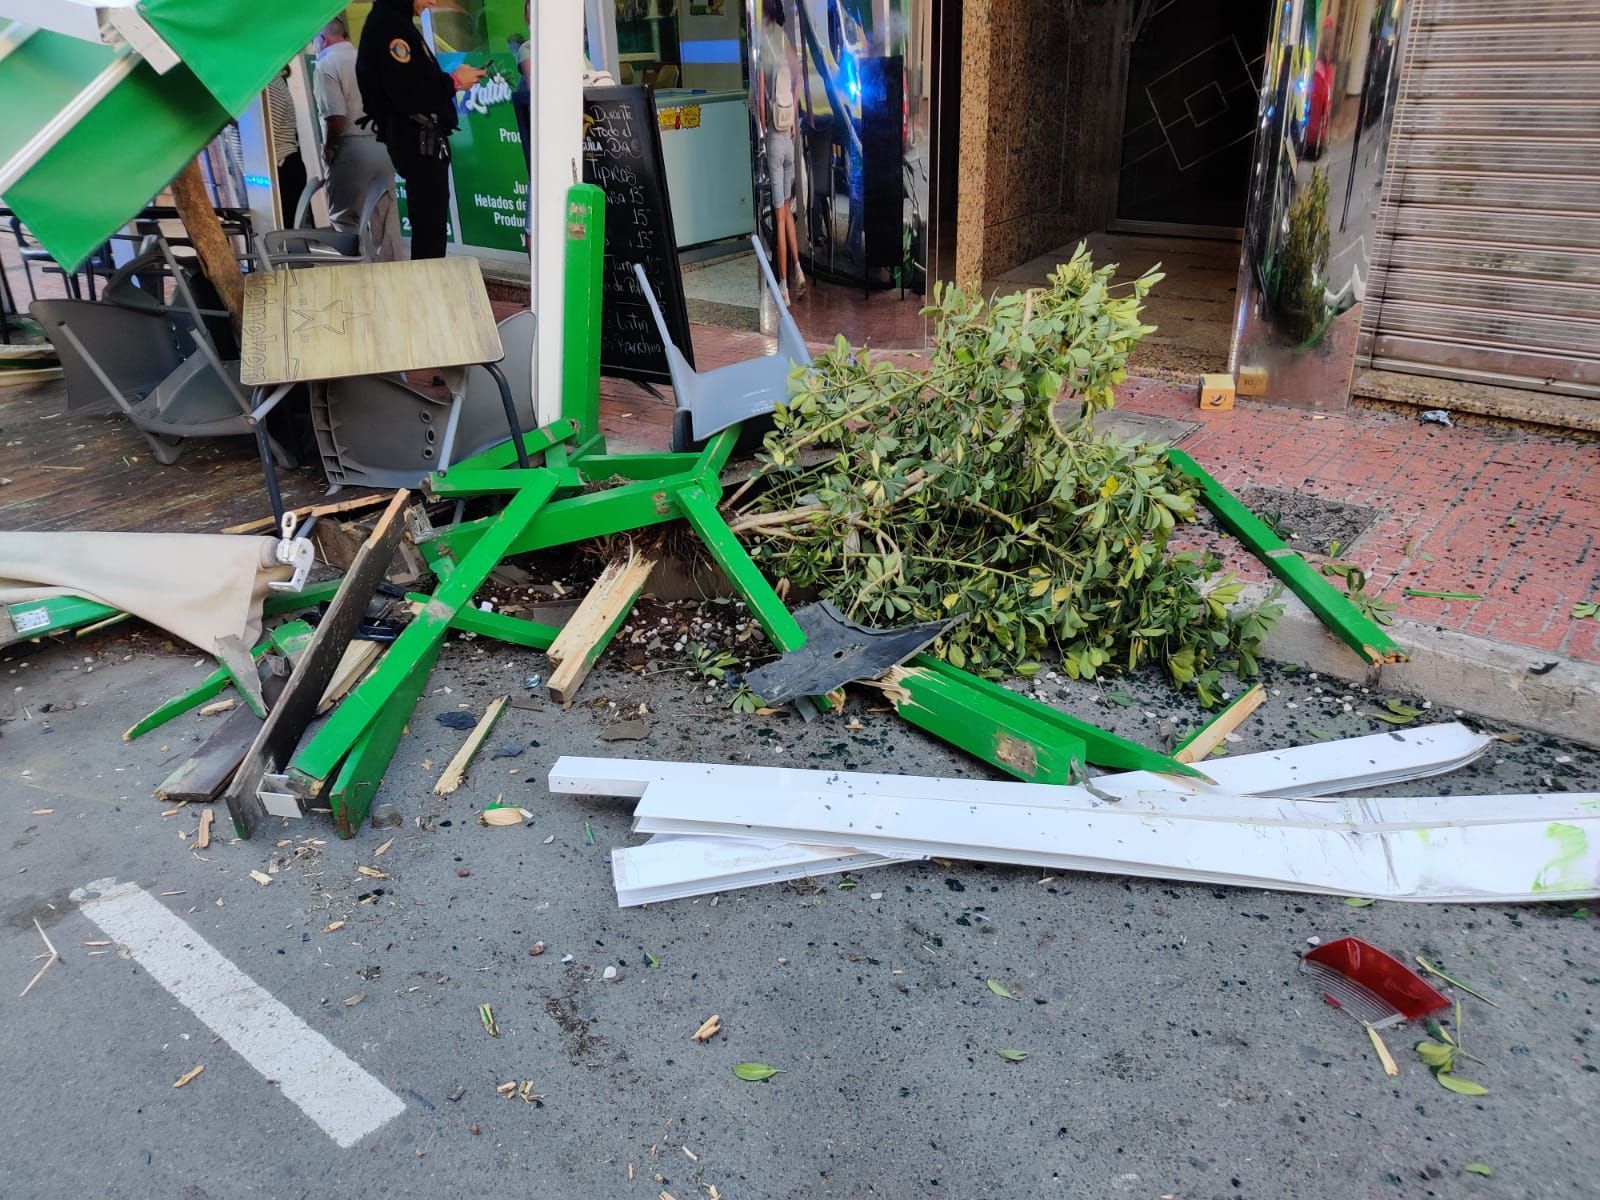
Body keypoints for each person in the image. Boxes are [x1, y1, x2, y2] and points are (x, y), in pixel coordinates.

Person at [355, 0, 485, 259]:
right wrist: (455, 82)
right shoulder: (391, 27)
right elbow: (408, 94)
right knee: (429, 230)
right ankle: (428, 292)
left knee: (431, 226)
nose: (432, 2)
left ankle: (430, 287)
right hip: (417, 140)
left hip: (420, 140)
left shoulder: (396, 23)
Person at [313, 17, 402, 260]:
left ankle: (358, 275)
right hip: (383, 145)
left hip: (351, 148)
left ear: (322, 39)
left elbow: (336, 116)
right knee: (385, 215)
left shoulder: (326, 64)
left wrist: (330, 149)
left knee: (345, 218)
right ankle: (395, 274)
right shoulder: (369, 58)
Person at [756, 0, 806, 302]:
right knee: (787, 211)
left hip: (775, 139)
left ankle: (784, 287)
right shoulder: (785, 40)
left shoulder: (764, 45)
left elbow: (761, 96)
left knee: (778, 215)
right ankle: (799, 269)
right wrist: (794, 119)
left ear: (765, 14)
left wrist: (764, 129)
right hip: (789, 135)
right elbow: (799, 76)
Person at [266, 68, 307, 224]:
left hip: (281, 168)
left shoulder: (268, 85)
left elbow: (265, 131)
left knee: (282, 235)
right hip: (277, 168)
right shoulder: (267, 82)